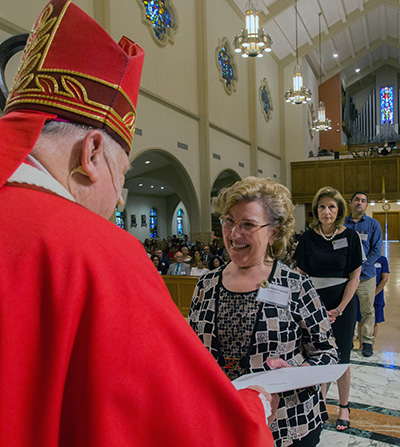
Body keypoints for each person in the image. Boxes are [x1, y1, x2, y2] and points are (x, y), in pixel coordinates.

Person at [0, 1, 277, 445]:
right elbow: (190, 429)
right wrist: (257, 406)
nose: (118, 198)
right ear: (91, 153)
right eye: (122, 174)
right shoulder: (94, 250)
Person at [189, 177, 339, 447]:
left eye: (248, 224)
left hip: (287, 425)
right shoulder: (206, 285)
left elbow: (328, 353)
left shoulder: (296, 286)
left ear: (274, 231)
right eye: (228, 221)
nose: (234, 234)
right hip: (226, 424)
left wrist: (296, 372)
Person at [294, 186, 363, 432]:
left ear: (339, 210)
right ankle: (320, 402)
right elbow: (301, 273)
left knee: (342, 356)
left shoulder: (350, 237)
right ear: (316, 210)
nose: (327, 211)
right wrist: (309, 307)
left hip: (341, 302)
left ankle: (344, 406)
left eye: (331, 206)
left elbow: (355, 277)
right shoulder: (308, 237)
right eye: (322, 206)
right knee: (316, 354)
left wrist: (341, 308)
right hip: (313, 304)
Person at [345, 191, 383, 357]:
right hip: (345, 276)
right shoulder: (342, 223)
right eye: (357, 200)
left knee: (367, 310)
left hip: (366, 276)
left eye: (363, 201)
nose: (359, 203)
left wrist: (361, 266)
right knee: (345, 308)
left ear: (366, 205)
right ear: (350, 203)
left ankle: (367, 342)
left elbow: (376, 250)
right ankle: (346, 340)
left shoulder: (373, 225)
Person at [356, 254, 390, 345]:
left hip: (376, 296)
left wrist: (373, 293)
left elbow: (384, 279)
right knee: (361, 320)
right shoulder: (362, 259)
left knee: (374, 321)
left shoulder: (382, 260)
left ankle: (371, 344)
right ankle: (361, 345)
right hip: (363, 295)